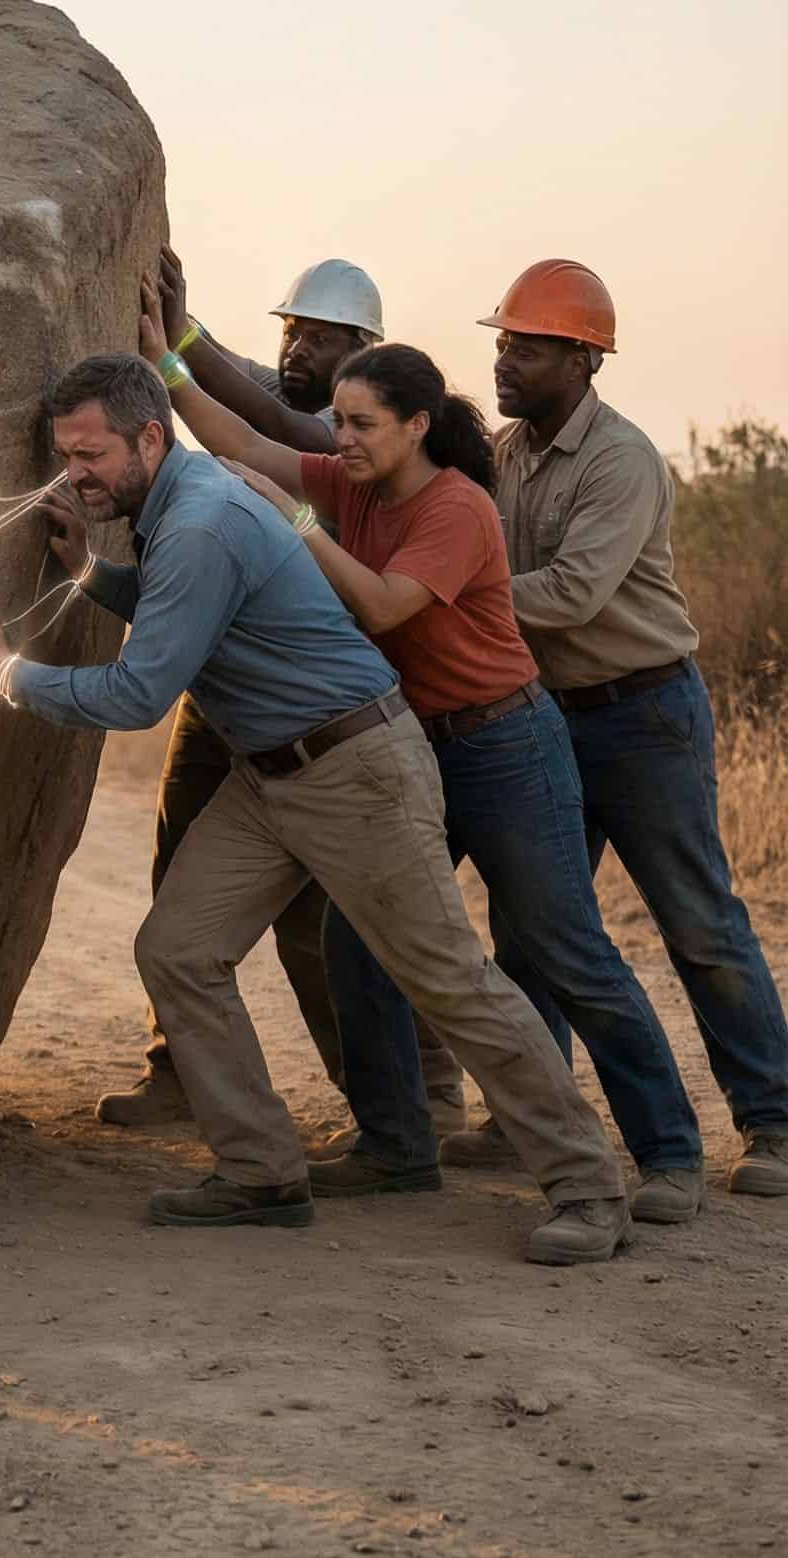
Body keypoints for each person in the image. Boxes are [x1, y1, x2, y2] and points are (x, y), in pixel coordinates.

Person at [0, 350, 631, 1266]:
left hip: (356, 769)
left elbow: (137, 696)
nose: (74, 475)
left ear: (149, 437)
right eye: (65, 455)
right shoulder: (178, 511)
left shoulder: (202, 523)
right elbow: (191, 611)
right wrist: (94, 575)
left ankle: (587, 1187)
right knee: (177, 948)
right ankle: (260, 1173)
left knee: (450, 981)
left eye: (90, 456)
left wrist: (2, 674)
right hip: (273, 775)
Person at [145, 306, 706, 1224]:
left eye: (364, 423)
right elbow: (243, 435)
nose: (343, 438)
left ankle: (667, 1155)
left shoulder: (455, 507)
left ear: (416, 426)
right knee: (355, 944)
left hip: (503, 745)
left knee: (561, 950)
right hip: (409, 743)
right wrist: (164, 361)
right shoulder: (351, 481)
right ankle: (398, 1144)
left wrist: (290, 519)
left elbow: (381, 606)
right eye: (340, 421)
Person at [104, 250, 461, 1139]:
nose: (299, 347)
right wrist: (181, 337)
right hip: (225, 680)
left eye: (322, 336)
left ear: (364, 349)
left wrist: (175, 346)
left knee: (338, 922)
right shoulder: (288, 387)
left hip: (316, 702)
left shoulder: (353, 437)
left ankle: (410, 1101)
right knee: (178, 868)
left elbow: (260, 420)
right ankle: (179, 1069)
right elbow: (239, 388)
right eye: (293, 329)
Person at [464, 258, 788, 1198]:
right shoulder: (506, 451)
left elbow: (570, 594)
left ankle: (771, 1121)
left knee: (697, 920)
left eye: (527, 348)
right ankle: (528, 1112)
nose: (506, 361)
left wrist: (439, 600)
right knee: (531, 924)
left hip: (645, 714)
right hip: (552, 716)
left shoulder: (623, 460)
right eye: (504, 343)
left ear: (584, 360)